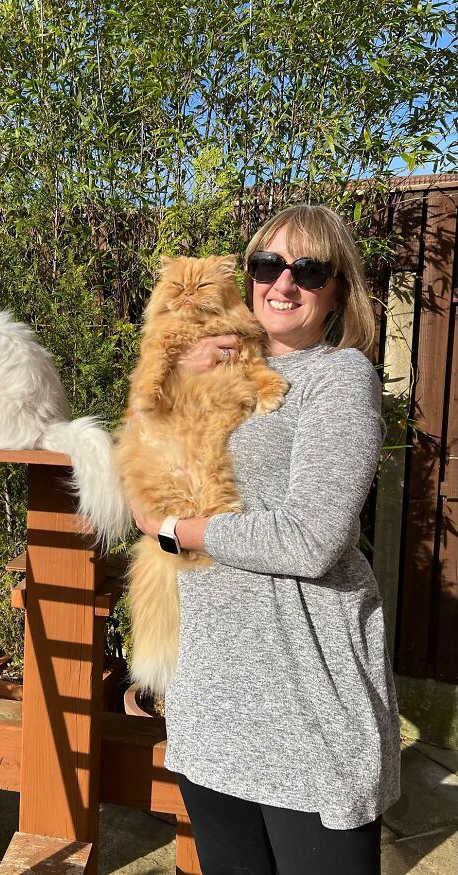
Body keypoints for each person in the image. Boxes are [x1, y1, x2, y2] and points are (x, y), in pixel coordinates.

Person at [131, 204, 401, 875]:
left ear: (338, 289)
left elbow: (311, 539)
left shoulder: (338, 378)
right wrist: (176, 375)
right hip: (210, 706)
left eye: (309, 269)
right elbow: (141, 474)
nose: (283, 284)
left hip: (304, 715)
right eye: (267, 264)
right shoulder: (215, 366)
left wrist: (178, 531)